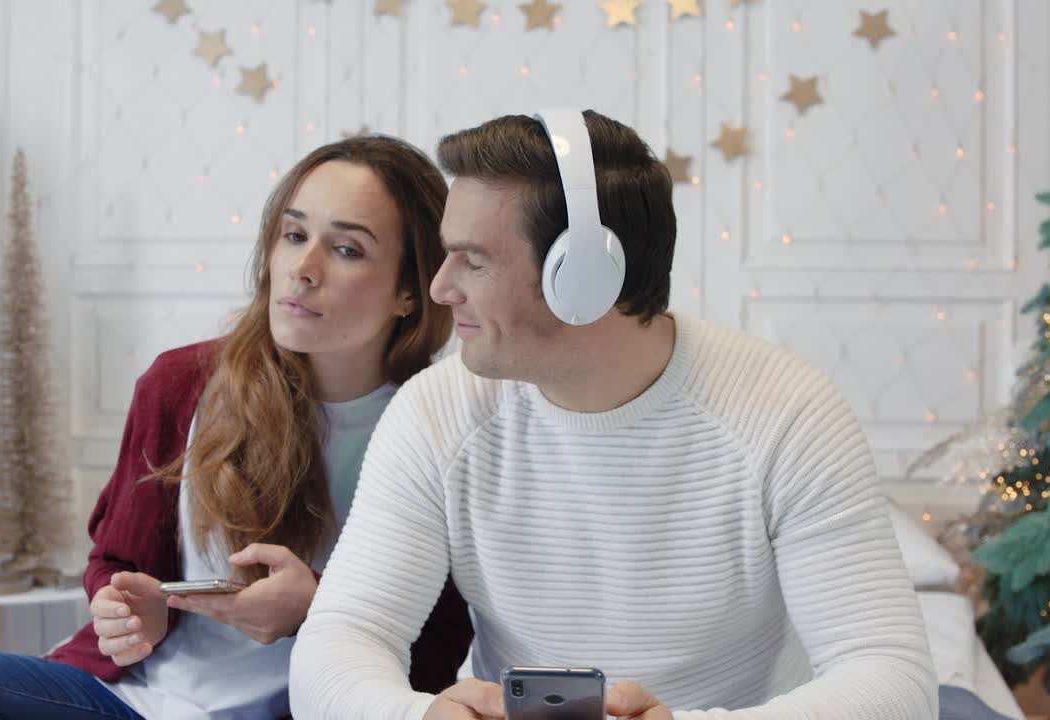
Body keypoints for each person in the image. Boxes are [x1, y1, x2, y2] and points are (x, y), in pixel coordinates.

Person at [288, 110, 938, 720]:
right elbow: (342, 636)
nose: (439, 287)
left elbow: (893, 680)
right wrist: (418, 713)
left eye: (474, 260)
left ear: (583, 278)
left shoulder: (789, 415)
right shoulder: (436, 413)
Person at [0, 135, 472, 719]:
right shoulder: (184, 384)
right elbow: (116, 561)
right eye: (293, 235)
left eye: (347, 250)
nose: (302, 269)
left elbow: (440, 652)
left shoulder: (438, 424)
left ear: (410, 293)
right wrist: (130, 610)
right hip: (127, 699)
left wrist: (318, 610)